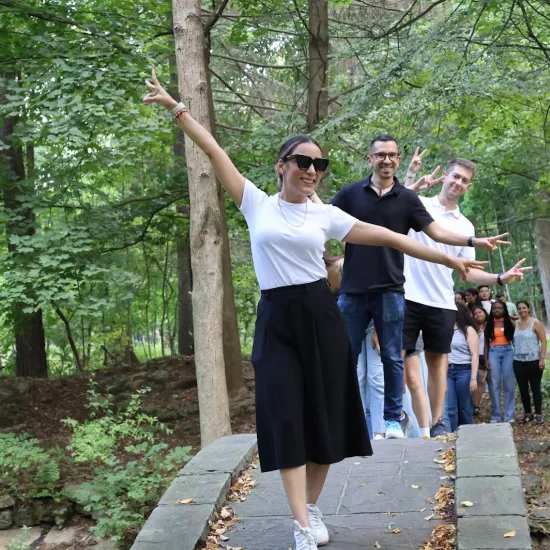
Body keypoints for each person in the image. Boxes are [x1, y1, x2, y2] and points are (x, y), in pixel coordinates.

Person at [143, 70, 478, 550]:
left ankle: (312, 507)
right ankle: (302, 526)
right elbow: (215, 151)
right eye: (303, 161)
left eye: (319, 164)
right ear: (282, 165)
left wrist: (449, 256)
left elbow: (390, 237)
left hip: (322, 316)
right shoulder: (255, 203)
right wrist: (176, 108)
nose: (312, 170)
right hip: (277, 320)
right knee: (286, 416)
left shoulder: (326, 215)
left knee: (326, 417)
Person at [331, 136, 506, 440]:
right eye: (381, 155)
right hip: (374, 292)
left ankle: (412, 425)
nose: (387, 160)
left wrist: (477, 250)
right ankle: (347, 419)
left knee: (407, 360)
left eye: (392, 155)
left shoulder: (446, 216)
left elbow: (435, 234)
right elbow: (328, 220)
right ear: (369, 158)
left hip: (408, 293)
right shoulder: (358, 195)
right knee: (350, 356)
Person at [404, 152, 530, 436]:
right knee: (402, 365)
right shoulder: (419, 204)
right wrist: (411, 176)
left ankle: (435, 424)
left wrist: (500, 277)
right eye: (455, 176)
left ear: (469, 186)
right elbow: (393, 199)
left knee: (437, 365)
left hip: (440, 300)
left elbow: (468, 272)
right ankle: (402, 421)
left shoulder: (465, 226)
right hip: (407, 296)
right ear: (445, 177)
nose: (458, 182)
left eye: (465, 180)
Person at [446, 303, 479, 431]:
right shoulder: (446, 329)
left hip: (464, 371)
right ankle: (452, 436)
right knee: (450, 407)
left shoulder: (468, 330)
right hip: (448, 371)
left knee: (465, 407)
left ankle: (468, 435)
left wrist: (473, 378)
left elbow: (475, 355)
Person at [513, 301, 547, 424]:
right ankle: (528, 413)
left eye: (524, 308)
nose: (522, 310)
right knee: (523, 389)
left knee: (535, 388)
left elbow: (543, 341)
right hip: (518, 361)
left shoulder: (535, 322)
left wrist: (542, 358)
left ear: (528, 308)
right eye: (519, 308)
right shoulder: (515, 324)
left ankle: (538, 413)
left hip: (534, 360)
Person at [485, 300, 516, 423]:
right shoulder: (489, 324)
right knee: (494, 384)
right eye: (494, 308)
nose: (497, 310)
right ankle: (496, 415)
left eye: (499, 308)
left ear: (504, 310)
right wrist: (486, 358)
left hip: (508, 351)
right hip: (493, 352)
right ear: (491, 311)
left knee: (509, 384)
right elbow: (486, 344)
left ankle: (509, 415)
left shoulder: (510, 323)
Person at [471, 305, 491, 416]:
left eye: (480, 312)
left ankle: (495, 406)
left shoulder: (491, 325)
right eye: (475, 313)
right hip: (477, 356)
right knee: (480, 382)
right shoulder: (472, 328)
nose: (478, 315)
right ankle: (476, 406)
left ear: (485, 313)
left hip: (490, 356)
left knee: (492, 382)